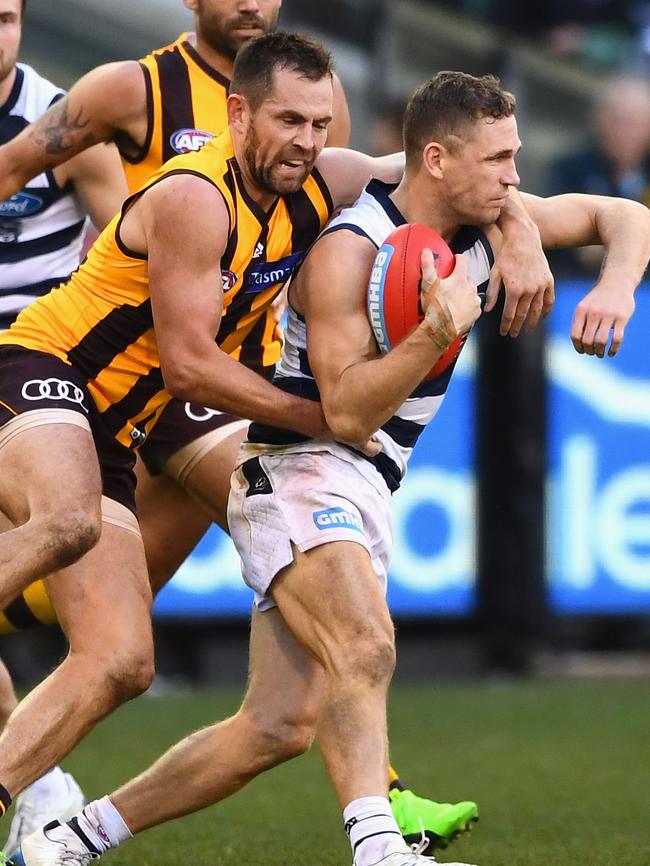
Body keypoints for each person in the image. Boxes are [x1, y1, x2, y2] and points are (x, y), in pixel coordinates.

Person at [19, 68, 648, 866]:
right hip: (298, 467)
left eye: (516, 157)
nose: (516, 178)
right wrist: (436, 330)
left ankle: (67, 841)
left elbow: (623, 214)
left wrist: (617, 287)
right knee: (365, 643)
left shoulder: (490, 221)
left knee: (274, 728)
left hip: (368, 480)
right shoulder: (350, 248)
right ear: (437, 161)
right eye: (498, 162)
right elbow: (347, 414)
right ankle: (381, 849)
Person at [0, 0, 131, 848]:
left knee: (120, 651)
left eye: (8, 16)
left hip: (30, 373)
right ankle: (40, 788)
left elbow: (131, 242)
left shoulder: (64, 120)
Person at [546, 75, 650, 275]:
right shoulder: (571, 169)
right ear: (599, 121)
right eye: (617, 121)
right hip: (574, 284)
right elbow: (554, 230)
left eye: (635, 123)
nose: (624, 132)